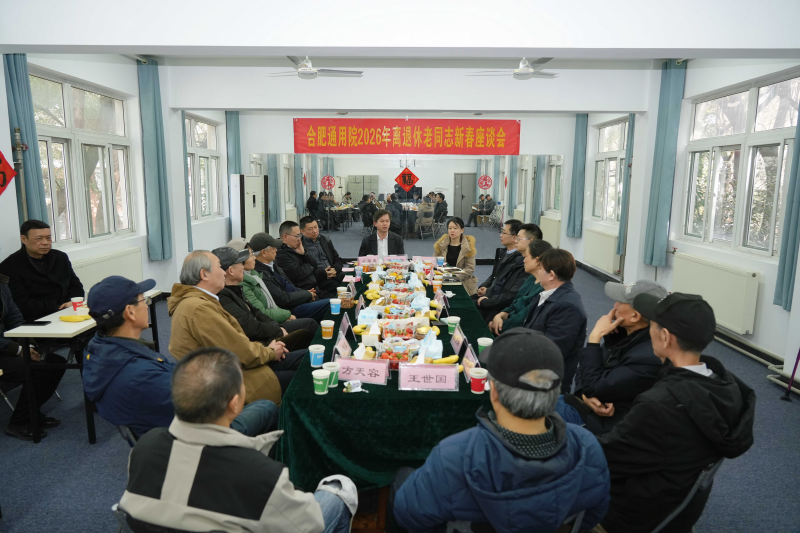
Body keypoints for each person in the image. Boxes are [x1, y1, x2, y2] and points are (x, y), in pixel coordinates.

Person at [390, 329, 609, 532]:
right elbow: (592, 515)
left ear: (493, 392)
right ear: (555, 393)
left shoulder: (454, 455)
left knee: (402, 478)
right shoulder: (587, 446)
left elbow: (408, 515)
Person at [118, 347, 356, 533]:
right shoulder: (257, 474)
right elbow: (309, 523)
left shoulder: (144, 447)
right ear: (234, 404)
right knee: (340, 487)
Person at [597, 293, 756, 533]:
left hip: (628, 516)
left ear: (664, 336)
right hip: (675, 511)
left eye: (652, 325)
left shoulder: (659, 406)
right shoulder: (727, 387)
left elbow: (603, 458)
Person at [84, 275, 279, 439]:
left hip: (163, 434)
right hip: (199, 442)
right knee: (266, 406)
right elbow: (205, 413)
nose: (148, 306)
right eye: (145, 301)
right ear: (130, 312)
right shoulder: (142, 376)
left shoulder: (100, 351)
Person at [167, 250, 287, 404]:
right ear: (204, 274)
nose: (224, 272)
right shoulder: (199, 308)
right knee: (300, 375)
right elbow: (240, 352)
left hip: (230, 373)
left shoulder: (201, 302)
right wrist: (270, 352)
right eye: (219, 267)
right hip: (229, 385)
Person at [562, 280, 667, 436]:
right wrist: (584, 394)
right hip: (584, 408)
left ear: (635, 316)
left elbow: (594, 386)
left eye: (620, 302)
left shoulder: (649, 357)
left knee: (531, 417)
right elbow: (583, 371)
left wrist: (594, 339)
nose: (614, 305)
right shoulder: (622, 335)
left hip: (605, 428)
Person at [213, 247, 314, 355]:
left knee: (306, 333)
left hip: (266, 337)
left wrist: (277, 327)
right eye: (241, 263)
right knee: (309, 329)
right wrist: (278, 330)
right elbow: (250, 326)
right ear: (231, 271)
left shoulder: (237, 288)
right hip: (261, 348)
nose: (243, 266)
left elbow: (257, 313)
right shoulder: (224, 296)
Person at [0, 272, 65, 440]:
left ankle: (31, 414)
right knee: (38, 368)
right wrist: (18, 349)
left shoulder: (1, 282)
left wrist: (27, 344)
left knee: (56, 362)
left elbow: (14, 317)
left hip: (5, 348)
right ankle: (19, 422)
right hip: (5, 351)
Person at [523, 248, 587, 394]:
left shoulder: (567, 307)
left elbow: (551, 353)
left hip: (545, 385)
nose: (538, 272)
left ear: (551, 275)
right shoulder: (546, 294)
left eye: (540, 268)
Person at [227, 238, 319, 338]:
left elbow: (275, 300)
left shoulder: (255, 274)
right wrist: (287, 315)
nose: (254, 258)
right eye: (250, 255)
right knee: (310, 323)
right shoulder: (244, 283)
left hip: (276, 316)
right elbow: (262, 313)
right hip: (271, 324)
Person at [0, 220, 84, 321]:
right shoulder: (10, 265)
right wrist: (58, 306)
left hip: (69, 310)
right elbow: (20, 303)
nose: (45, 242)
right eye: (39, 238)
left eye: (48, 238)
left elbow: (75, 285)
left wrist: (73, 302)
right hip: (38, 318)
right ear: (24, 239)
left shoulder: (60, 257)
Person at [251, 233, 331, 321]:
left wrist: (305, 294)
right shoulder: (261, 274)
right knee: (332, 304)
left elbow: (288, 286)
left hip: (295, 301)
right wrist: (307, 295)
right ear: (264, 252)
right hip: (288, 310)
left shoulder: (271, 265)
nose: (276, 250)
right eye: (273, 248)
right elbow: (282, 299)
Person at [490, 236, 551, 335]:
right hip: (509, 323)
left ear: (537, 261)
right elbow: (515, 303)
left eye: (526, 257)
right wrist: (501, 315)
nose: (523, 260)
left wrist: (496, 325)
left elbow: (522, 318)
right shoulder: (530, 279)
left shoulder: (544, 289)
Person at [472, 219, 526, 322]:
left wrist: (488, 291)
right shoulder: (502, 252)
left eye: (504, 233)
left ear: (514, 238)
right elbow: (495, 275)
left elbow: (505, 287)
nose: (500, 235)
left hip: (496, 299)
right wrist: (483, 286)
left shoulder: (519, 260)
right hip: (491, 293)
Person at [276, 221, 335, 299]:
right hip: (304, 293)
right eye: (297, 236)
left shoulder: (296, 247)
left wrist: (304, 253)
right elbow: (297, 274)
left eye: (299, 235)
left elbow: (314, 265)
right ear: (285, 237)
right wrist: (310, 267)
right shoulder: (280, 254)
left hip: (315, 287)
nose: (299, 239)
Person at [433, 217, 478, 295]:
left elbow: (470, 269)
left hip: (462, 282)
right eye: (450, 228)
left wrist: (454, 277)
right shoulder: (441, 245)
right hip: (443, 279)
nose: (452, 230)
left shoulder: (468, 247)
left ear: (462, 230)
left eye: (455, 228)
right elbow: (434, 262)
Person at [300, 216, 345, 291]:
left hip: (334, 272)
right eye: (310, 229)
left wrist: (334, 269)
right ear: (302, 231)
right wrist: (324, 274)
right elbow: (304, 271)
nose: (314, 231)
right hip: (318, 279)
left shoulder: (325, 240)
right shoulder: (301, 247)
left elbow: (338, 259)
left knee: (352, 279)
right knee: (338, 287)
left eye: (316, 227)